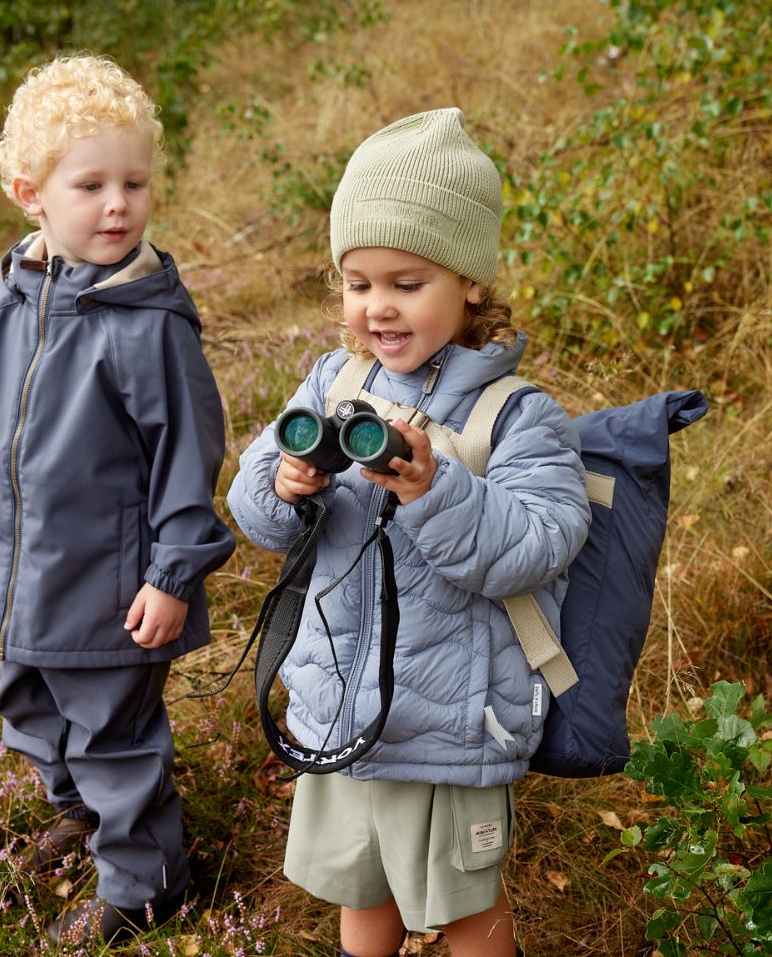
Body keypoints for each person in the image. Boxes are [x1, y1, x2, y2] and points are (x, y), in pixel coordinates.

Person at [226, 109, 591, 957]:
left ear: (469, 282)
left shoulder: (517, 412)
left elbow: (541, 541)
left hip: (455, 722)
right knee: (361, 887)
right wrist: (286, 484)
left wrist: (433, 488)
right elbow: (254, 510)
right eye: (358, 285)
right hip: (343, 707)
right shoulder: (333, 379)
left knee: (463, 906)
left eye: (406, 283)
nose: (377, 308)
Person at [0, 54, 235, 946]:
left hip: (112, 585)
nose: (118, 205)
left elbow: (189, 456)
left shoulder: (147, 322)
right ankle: (82, 816)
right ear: (31, 193)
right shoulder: (7, 300)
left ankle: (147, 884)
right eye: (92, 184)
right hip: (15, 568)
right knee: (28, 710)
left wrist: (173, 573)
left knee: (113, 733)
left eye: (135, 183)